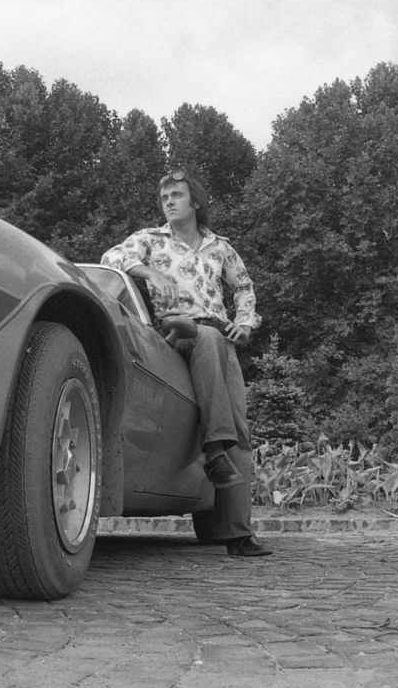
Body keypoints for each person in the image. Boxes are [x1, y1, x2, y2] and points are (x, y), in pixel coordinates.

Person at [101, 169, 272, 557]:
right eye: (165, 198)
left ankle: (238, 534)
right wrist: (147, 273)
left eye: (177, 195)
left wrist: (245, 323)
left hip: (218, 340)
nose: (170, 202)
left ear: (195, 202)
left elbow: (243, 286)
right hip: (173, 334)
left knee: (240, 427)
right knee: (203, 335)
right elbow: (112, 258)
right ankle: (214, 451)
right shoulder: (150, 240)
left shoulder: (220, 247)